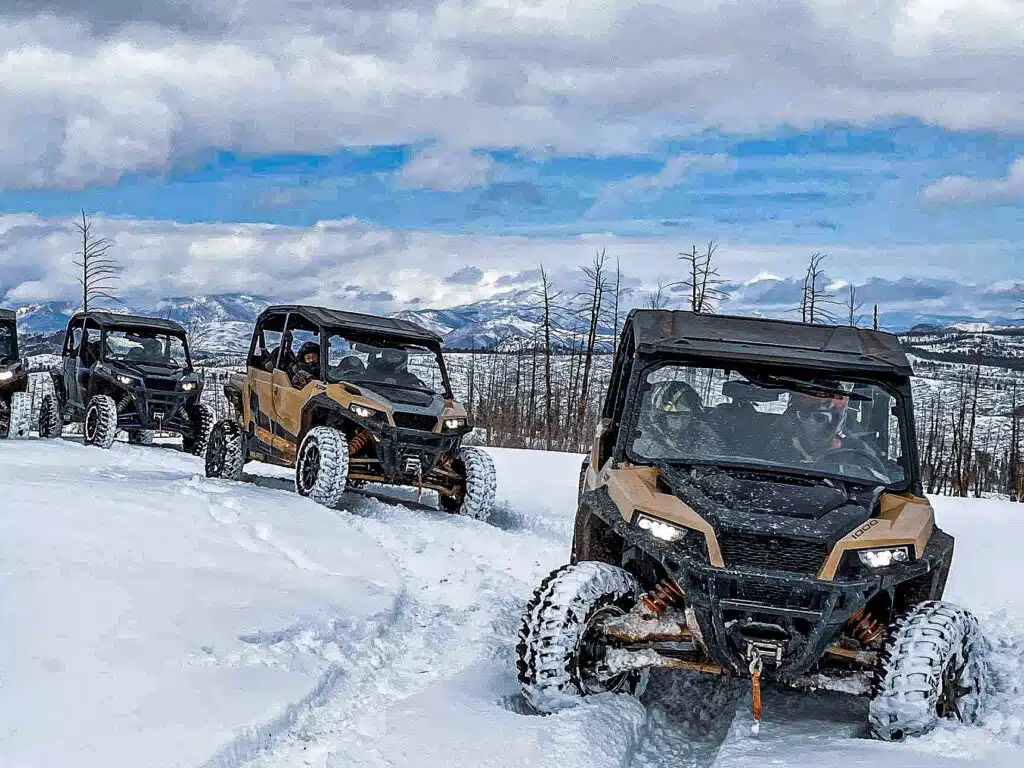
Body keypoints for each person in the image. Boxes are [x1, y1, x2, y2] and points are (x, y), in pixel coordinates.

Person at [634, 379, 723, 458]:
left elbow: (713, 459)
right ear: (661, 417)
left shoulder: (703, 435)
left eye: (686, 416)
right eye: (674, 416)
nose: (681, 421)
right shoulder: (642, 440)